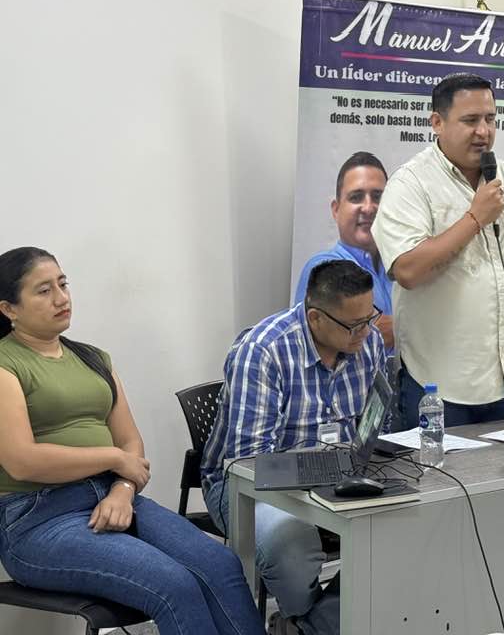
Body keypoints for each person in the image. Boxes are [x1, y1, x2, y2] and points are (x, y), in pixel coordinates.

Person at [0, 247, 264, 635]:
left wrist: (122, 490)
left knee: (221, 565)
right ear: (9, 309)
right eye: (43, 290)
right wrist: (111, 458)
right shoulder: (6, 363)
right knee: (174, 585)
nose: (61, 298)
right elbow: (22, 461)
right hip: (38, 519)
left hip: (114, 497)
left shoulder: (93, 359)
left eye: (63, 284)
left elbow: (131, 442)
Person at [202, 260, 386, 635]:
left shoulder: (369, 343)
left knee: (404, 524)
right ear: (315, 318)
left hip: (338, 475)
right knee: (291, 542)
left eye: (370, 318)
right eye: (354, 325)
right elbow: (249, 462)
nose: (366, 333)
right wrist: (321, 480)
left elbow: (372, 425)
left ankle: (303, 627)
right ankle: (315, 622)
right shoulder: (264, 351)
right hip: (244, 487)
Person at [372, 72, 504, 429]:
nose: (484, 131)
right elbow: (408, 271)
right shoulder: (410, 184)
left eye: (490, 119)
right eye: (470, 120)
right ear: (437, 122)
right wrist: (475, 218)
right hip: (437, 385)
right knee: (434, 467)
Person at [293, 151, 394, 352]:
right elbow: (361, 339)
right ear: (336, 209)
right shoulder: (322, 269)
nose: (369, 208)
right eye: (356, 197)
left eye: (378, 197)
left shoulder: (403, 267)